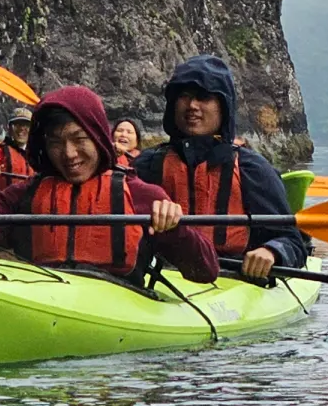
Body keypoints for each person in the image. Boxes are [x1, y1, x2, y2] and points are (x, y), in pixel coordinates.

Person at [0, 86, 217, 283]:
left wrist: (175, 228)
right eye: (56, 143)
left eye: (79, 140)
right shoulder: (27, 192)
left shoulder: (140, 194)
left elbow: (205, 271)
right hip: (45, 297)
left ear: (97, 137)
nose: (68, 154)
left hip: (118, 318)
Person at [128, 54, 307, 283]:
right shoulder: (147, 165)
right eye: (184, 96)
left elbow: (292, 241)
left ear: (223, 108)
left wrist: (272, 251)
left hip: (236, 277)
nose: (192, 106)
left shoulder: (252, 170)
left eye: (203, 97)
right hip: (163, 276)